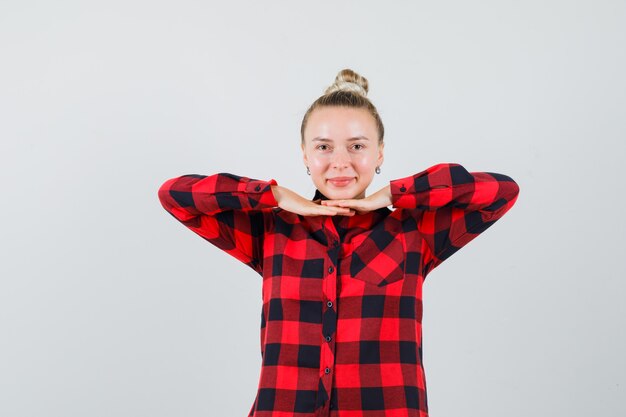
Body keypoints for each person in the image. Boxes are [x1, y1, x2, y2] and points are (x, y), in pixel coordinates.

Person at [157, 68, 520, 417]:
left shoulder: (413, 231)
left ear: (379, 154)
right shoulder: (273, 231)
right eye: (324, 147)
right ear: (305, 155)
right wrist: (275, 195)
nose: (341, 162)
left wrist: (393, 194)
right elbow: (175, 195)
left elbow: (500, 192)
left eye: (357, 146)